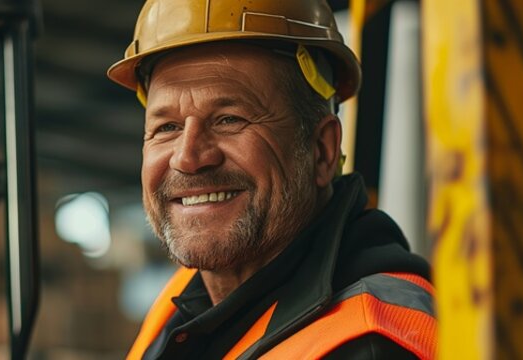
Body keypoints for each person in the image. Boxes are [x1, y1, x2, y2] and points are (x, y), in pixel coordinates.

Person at [106, 0, 436, 358]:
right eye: (166, 127)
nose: (188, 157)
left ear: (322, 150)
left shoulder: (372, 343)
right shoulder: (189, 297)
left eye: (229, 119)